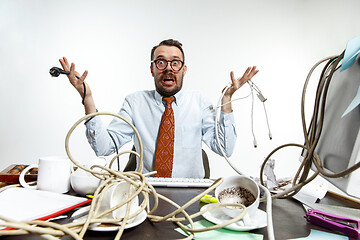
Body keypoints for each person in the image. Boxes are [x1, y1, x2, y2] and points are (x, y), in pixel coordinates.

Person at [59, 39, 258, 178]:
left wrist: (227, 99)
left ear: (184, 70)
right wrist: (87, 97)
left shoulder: (199, 101)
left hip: (190, 192)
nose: (169, 68)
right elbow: (104, 148)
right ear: (152, 69)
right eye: (161, 62)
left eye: (175, 62)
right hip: (144, 192)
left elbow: (225, 149)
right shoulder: (135, 102)